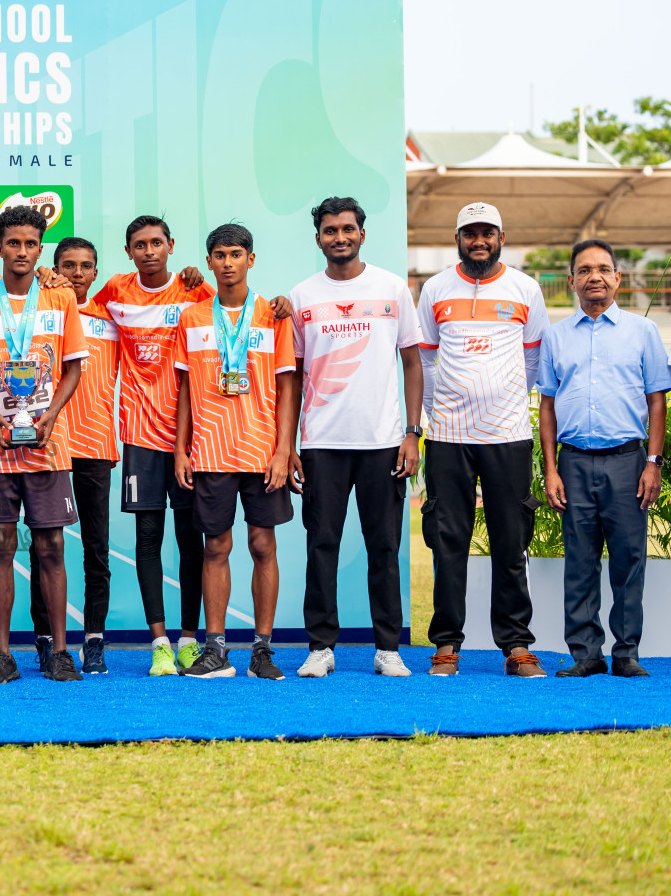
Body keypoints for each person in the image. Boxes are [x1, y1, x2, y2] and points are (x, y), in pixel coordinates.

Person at [0, 205, 88, 685]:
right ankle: (2, 656)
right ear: (0, 246)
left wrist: (50, 416)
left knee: (51, 546)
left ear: (41, 248)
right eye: (14, 243)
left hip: (48, 443)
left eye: (32, 244)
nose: (23, 252)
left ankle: (60, 654)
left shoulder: (60, 299)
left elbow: (73, 367)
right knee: (0, 547)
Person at [288, 197, 422, 679]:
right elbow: (294, 377)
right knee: (321, 545)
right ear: (318, 237)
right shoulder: (302, 296)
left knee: (384, 547)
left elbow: (411, 361)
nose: (339, 237)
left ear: (362, 233)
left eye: (347, 229)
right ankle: (320, 647)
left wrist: (412, 433)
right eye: (329, 230)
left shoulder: (391, 288)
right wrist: (291, 446)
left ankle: (388, 647)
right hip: (322, 443)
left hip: (384, 441)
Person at [419, 202, 550, 677]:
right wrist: (445, 409)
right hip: (448, 438)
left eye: (487, 233)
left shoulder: (525, 288)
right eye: (469, 233)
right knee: (447, 543)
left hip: (508, 436)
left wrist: (505, 401)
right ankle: (447, 646)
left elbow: (533, 360)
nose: (479, 240)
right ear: (458, 238)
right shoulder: (435, 288)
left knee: (510, 544)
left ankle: (516, 646)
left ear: (500, 236)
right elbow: (427, 362)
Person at [539, 240, 668, 678]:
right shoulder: (556, 336)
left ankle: (626, 653)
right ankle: (585, 654)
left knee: (629, 559)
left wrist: (654, 462)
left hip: (628, 462)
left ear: (617, 278)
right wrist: (551, 469)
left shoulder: (642, 332)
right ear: (572, 280)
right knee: (579, 560)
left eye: (603, 268)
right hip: (573, 463)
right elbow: (548, 407)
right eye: (584, 269)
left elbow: (656, 400)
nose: (594, 276)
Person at [173, 223, 296, 681]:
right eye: (219, 255)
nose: (228, 262)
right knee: (215, 547)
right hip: (209, 452)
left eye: (236, 254)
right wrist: (181, 450)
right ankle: (216, 649)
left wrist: (284, 451)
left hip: (262, 451)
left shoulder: (273, 315)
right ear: (209, 262)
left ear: (251, 259)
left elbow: (287, 387)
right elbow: (183, 388)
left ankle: (262, 649)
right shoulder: (192, 317)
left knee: (263, 544)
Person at [27, 236, 116, 674]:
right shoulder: (40, 311)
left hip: (97, 446)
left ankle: (94, 642)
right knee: (42, 550)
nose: (77, 272)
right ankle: (45, 639)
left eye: (85, 265)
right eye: (68, 264)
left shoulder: (112, 316)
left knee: (96, 551)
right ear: (53, 267)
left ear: (96, 272)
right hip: (49, 445)